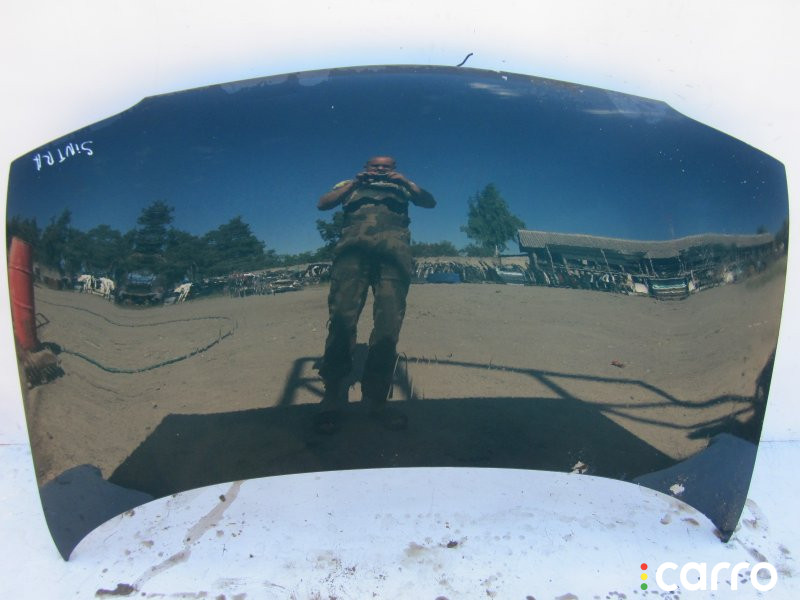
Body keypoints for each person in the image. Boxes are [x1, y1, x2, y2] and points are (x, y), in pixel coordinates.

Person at [316, 156, 435, 431]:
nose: (380, 169)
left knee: (388, 325)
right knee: (342, 321)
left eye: (387, 167)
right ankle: (331, 397)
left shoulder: (403, 188)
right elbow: (323, 204)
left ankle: (378, 401)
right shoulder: (348, 185)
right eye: (375, 166)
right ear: (366, 167)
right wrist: (354, 183)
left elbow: (429, 202)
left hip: (393, 258)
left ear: (394, 169)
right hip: (352, 256)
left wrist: (406, 181)